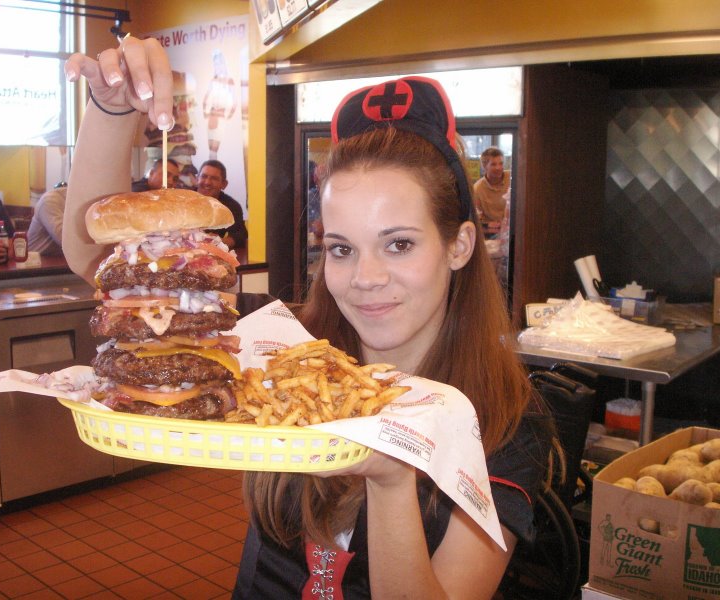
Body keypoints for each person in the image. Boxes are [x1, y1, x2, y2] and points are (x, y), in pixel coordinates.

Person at [63, 38, 554, 600]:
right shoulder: (281, 347)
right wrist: (111, 108)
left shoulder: (503, 418)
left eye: (397, 244)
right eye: (342, 249)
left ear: (460, 245)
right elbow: (97, 260)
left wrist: (392, 483)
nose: (365, 277)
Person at [196, 159, 248, 249]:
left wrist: (217, 243)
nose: (207, 182)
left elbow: (240, 234)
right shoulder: (184, 199)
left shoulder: (231, 206)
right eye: (204, 176)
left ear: (224, 184)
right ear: (197, 179)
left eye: (214, 178)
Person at [473, 147, 510, 238]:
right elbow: (476, 218)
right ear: (485, 166)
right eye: (493, 164)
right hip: (491, 233)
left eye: (501, 163)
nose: (498, 168)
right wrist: (488, 224)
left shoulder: (512, 178)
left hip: (511, 228)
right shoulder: (477, 188)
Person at [27, 181, 67, 256]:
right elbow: (65, 240)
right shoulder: (50, 200)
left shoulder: (84, 201)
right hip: (36, 264)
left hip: (59, 262)